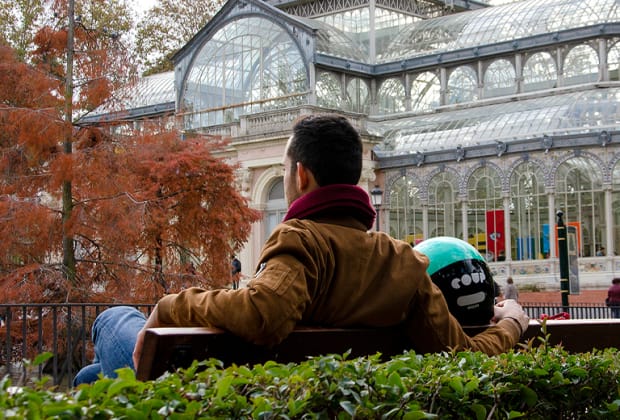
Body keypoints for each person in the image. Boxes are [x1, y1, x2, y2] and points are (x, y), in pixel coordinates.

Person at [73, 114, 529, 386]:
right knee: (93, 377)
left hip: (239, 391)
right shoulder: (402, 262)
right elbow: (461, 355)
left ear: (301, 175)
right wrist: (510, 322)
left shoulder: (301, 240)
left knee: (114, 319)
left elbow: (264, 313)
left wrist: (172, 305)